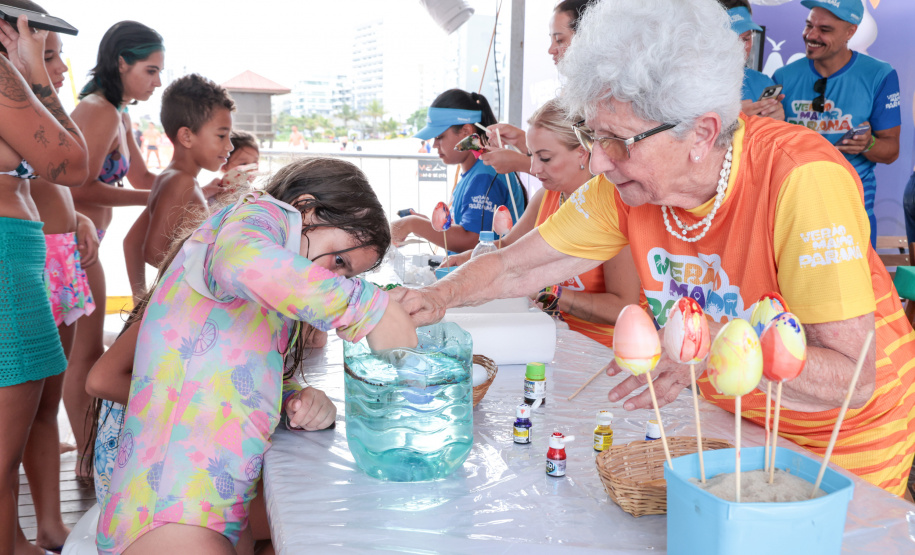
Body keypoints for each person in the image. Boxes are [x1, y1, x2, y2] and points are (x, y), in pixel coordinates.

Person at [399, 0, 915, 497]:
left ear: (702, 132)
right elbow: (515, 267)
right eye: (590, 135)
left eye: (620, 140)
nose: (599, 162)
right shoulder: (626, 187)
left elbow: (852, 378)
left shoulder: (802, 179)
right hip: (741, 421)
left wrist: (711, 342)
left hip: (844, 448)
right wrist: (439, 298)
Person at [92, 157, 416, 554]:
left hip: (213, 507)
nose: (334, 280)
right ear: (304, 207)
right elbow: (242, 261)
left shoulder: (270, 286)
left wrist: (296, 395)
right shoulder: (258, 218)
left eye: (348, 278)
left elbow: (232, 367)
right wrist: (368, 307)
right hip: (170, 509)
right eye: (339, 262)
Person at [444, 98, 642, 348]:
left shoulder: (610, 208)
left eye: (545, 158)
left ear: (582, 152)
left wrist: (549, 291)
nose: (534, 168)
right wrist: (471, 257)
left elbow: (623, 308)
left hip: (605, 351)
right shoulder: (547, 196)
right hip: (550, 336)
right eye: (531, 155)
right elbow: (508, 247)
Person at [0, 13, 90, 555]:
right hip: (7, 258)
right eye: (40, 40)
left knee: (7, 450)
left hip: (20, 251)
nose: (49, 57)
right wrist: (34, 75)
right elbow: (72, 162)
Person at [67, 20, 164, 481]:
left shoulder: (119, 111)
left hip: (85, 241)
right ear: (121, 63)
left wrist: (197, 185)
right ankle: (88, 458)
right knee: (83, 356)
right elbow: (80, 190)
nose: (158, 81)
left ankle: (83, 451)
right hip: (68, 241)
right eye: (150, 70)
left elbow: (145, 179)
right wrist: (158, 199)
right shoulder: (98, 110)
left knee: (76, 353)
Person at [773, 0, 901, 248]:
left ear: (850, 31)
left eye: (825, 30)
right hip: (794, 213)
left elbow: (891, 151)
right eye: (808, 25)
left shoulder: (879, 75)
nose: (811, 35)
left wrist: (868, 143)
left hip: (851, 214)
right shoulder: (783, 77)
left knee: (855, 287)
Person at [393, 89, 526, 253]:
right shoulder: (475, 170)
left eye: (439, 137)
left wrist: (412, 224)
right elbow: (465, 230)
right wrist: (429, 226)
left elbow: (472, 241)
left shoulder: (485, 174)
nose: (434, 144)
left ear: (466, 132)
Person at [481, 0, 598, 177]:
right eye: (551, 39)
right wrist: (523, 141)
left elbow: (593, 170)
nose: (551, 49)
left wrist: (520, 162)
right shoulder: (573, 92)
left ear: (588, 38)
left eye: (559, 40)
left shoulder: (603, 97)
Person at [720, 2, 785, 120]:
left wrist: (777, 126)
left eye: (746, 38)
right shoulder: (686, 85)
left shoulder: (763, 83)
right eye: (731, 38)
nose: (741, 47)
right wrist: (734, 120)